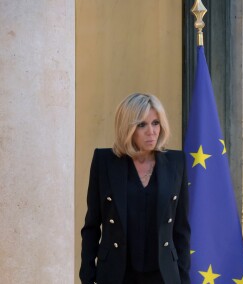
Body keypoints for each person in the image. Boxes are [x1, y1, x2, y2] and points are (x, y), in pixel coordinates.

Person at [79, 93, 190, 284]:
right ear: (127, 128)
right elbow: (91, 226)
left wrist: (183, 279)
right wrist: (87, 277)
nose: (151, 131)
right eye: (142, 125)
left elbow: (181, 230)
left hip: (163, 276)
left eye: (156, 123)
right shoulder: (104, 161)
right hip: (116, 274)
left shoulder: (176, 162)